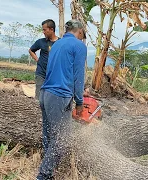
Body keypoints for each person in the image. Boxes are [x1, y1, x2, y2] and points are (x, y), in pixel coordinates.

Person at [36, 19, 87, 180]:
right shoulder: (79, 46)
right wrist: (79, 102)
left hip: (45, 94)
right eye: (82, 35)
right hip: (59, 96)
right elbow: (78, 75)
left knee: (49, 136)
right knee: (62, 140)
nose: (82, 38)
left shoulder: (56, 44)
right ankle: (43, 176)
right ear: (79, 31)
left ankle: (48, 172)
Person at [29, 19, 59, 100]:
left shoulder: (60, 43)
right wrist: (38, 60)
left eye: (45, 30)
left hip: (54, 76)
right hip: (41, 74)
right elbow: (31, 50)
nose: (43, 32)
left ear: (51, 29)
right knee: (39, 98)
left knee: (51, 98)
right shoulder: (41, 42)